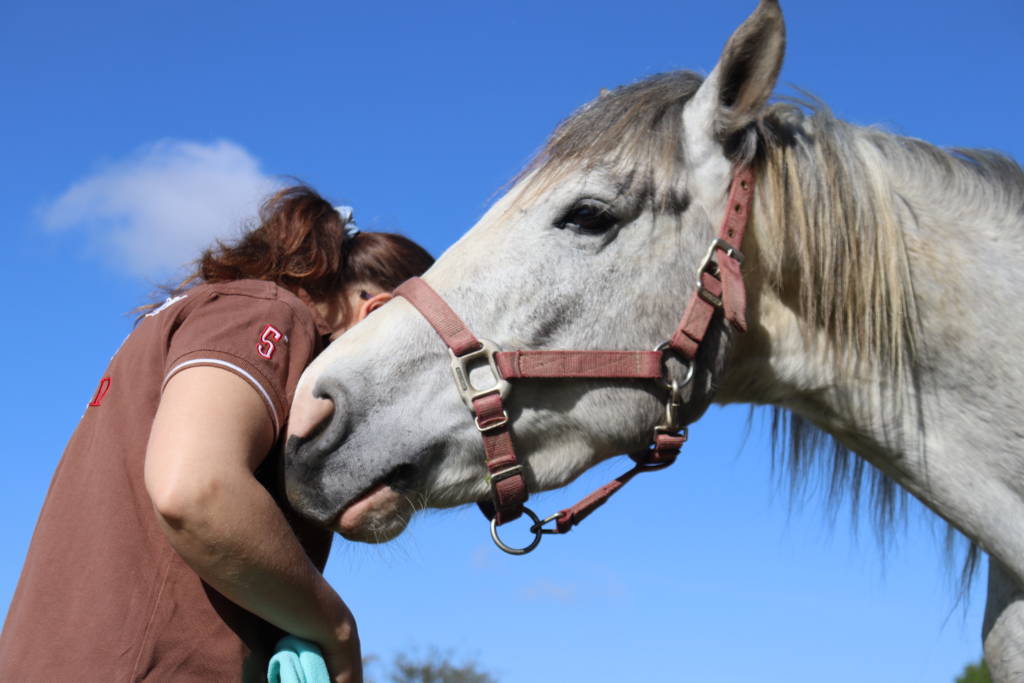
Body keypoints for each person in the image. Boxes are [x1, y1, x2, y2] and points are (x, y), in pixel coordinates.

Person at [0, 185, 434, 682]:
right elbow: (197, 489)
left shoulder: (188, 320)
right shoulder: (268, 311)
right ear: (378, 313)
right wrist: (336, 630)